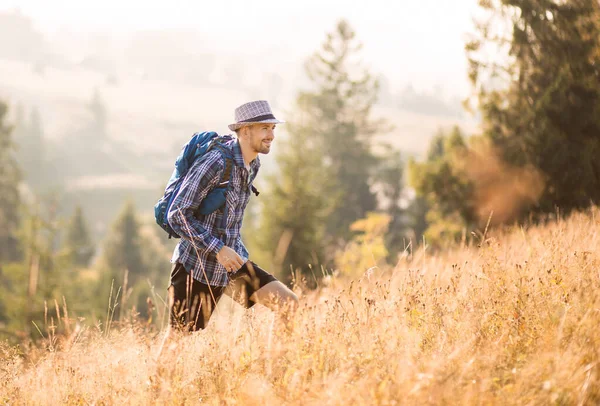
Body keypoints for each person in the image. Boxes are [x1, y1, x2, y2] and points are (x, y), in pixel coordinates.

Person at [166, 100, 298, 332]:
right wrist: (218, 249)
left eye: (273, 128)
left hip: (231, 264)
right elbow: (177, 214)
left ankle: (277, 365)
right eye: (265, 128)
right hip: (196, 266)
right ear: (245, 131)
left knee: (288, 303)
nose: (271, 135)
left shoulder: (252, 164)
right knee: (178, 342)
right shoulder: (215, 163)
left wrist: (228, 252)